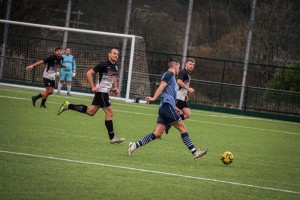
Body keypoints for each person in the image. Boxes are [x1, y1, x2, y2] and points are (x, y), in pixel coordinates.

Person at [128, 59, 208, 160]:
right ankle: (195, 152)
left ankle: (134, 145)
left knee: (157, 133)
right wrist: (153, 98)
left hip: (167, 107)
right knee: (182, 128)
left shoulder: (171, 78)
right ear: (175, 66)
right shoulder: (169, 74)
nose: (179, 69)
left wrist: (175, 108)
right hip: (166, 107)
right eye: (178, 67)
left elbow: (167, 94)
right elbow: (161, 87)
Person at [57, 48, 125, 144]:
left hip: (104, 92)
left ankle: (68, 106)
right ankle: (113, 137)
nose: (116, 55)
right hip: (101, 92)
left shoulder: (116, 66)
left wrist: (115, 88)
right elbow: (89, 73)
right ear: (109, 54)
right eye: (114, 53)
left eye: (117, 54)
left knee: (91, 111)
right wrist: (93, 87)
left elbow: (114, 77)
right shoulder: (103, 64)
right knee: (109, 112)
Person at [165, 58, 196, 134]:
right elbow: (179, 82)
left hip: (182, 98)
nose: (192, 66)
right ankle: (165, 125)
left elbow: (184, 85)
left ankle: (170, 122)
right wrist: (188, 89)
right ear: (185, 64)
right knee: (176, 114)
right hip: (178, 97)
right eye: (190, 64)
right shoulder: (183, 72)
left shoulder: (187, 74)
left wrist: (186, 94)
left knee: (187, 114)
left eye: (193, 65)